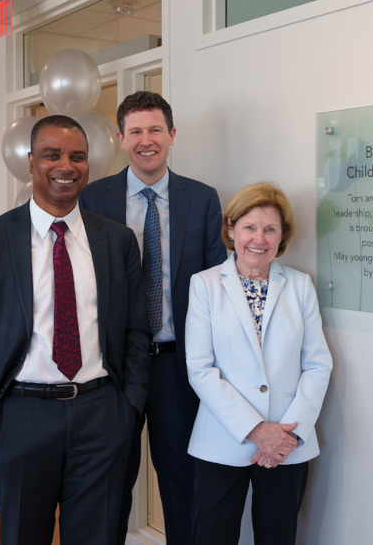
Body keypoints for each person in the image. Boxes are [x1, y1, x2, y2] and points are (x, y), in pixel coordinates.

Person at [0, 115, 150, 545]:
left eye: (77, 156)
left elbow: (136, 331)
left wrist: (129, 406)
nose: (66, 165)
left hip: (102, 416)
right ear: (30, 162)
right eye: (52, 155)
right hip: (20, 418)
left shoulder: (117, 241)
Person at [79, 91, 224, 544]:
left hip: (176, 368)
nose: (147, 140)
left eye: (155, 130)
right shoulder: (92, 199)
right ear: (121, 138)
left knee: (182, 486)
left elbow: (218, 290)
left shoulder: (201, 200)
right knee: (108, 487)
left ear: (172, 135)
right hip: (113, 368)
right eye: (136, 131)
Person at [185, 182, 333, 545]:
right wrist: (255, 429)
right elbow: (200, 369)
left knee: (277, 536)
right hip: (222, 439)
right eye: (250, 227)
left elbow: (318, 364)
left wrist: (287, 436)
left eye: (270, 229)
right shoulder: (204, 285)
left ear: (282, 236)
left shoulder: (300, 286)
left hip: (287, 443)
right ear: (231, 228)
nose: (259, 239)